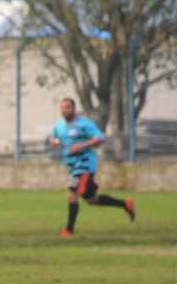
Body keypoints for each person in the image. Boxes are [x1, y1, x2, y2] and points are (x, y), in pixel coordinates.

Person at [49, 97, 136, 237]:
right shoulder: (59, 125)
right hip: (72, 166)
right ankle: (125, 204)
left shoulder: (84, 123)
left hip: (85, 165)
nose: (64, 110)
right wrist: (54, 141)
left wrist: (81, 146)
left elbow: (100, 138)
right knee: (91, 200)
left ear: (73, 109)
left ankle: (68, 230)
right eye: (62, 108)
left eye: (67, 107)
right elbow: (54, 138)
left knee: (72, 193)